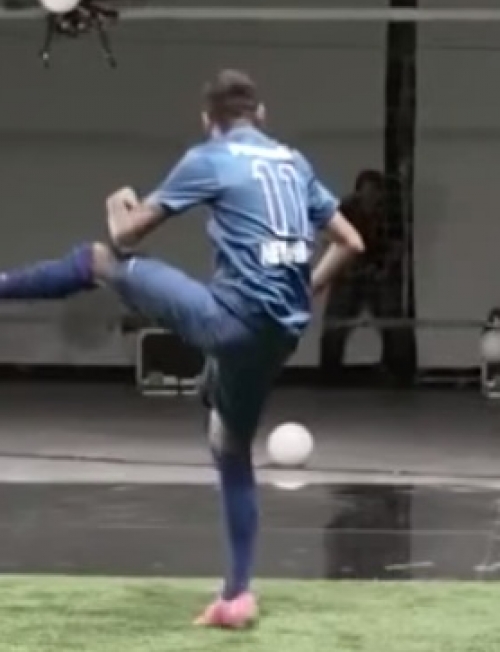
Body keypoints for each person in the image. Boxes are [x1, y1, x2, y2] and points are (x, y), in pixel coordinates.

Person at [0, 69, 363, 628]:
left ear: (207, 120)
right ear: (261, 115)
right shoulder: (294, 162)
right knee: (229, 446)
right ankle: (236, 596)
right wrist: (304, 290)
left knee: (99, 259)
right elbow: (351, 241)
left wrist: (119, 201)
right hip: (281, 334)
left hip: (228, 322)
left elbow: (127, 234)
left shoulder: (209, 158)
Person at [320, 169, 416, 383]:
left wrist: (382, 268)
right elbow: (333, 241)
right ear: (358, 193)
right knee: (336, 322)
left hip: (379, 270)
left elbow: (397, 246)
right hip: (348, 270)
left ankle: (399, 373)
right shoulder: (345, 209)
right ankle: (329, 374)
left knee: (392, 320)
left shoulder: (389, 213)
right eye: (368, 193)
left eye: (376, 193)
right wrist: (348, 267)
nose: (372, 198)